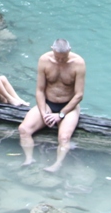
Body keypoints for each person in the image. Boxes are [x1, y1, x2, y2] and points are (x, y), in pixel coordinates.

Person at [18, 39, 86, 172]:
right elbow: (39, 90)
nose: (60, 61)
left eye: (64, 57)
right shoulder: (44, 60)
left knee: (64, 137)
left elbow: (79, 95)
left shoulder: (78, 63)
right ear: (52, 50)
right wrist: (44, 113)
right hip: (48, 103)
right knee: (24, 130)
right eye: (57, 57)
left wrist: (60, 115)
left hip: (69, 106)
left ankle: (57, 164)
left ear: (69, 51)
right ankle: (29, 159)